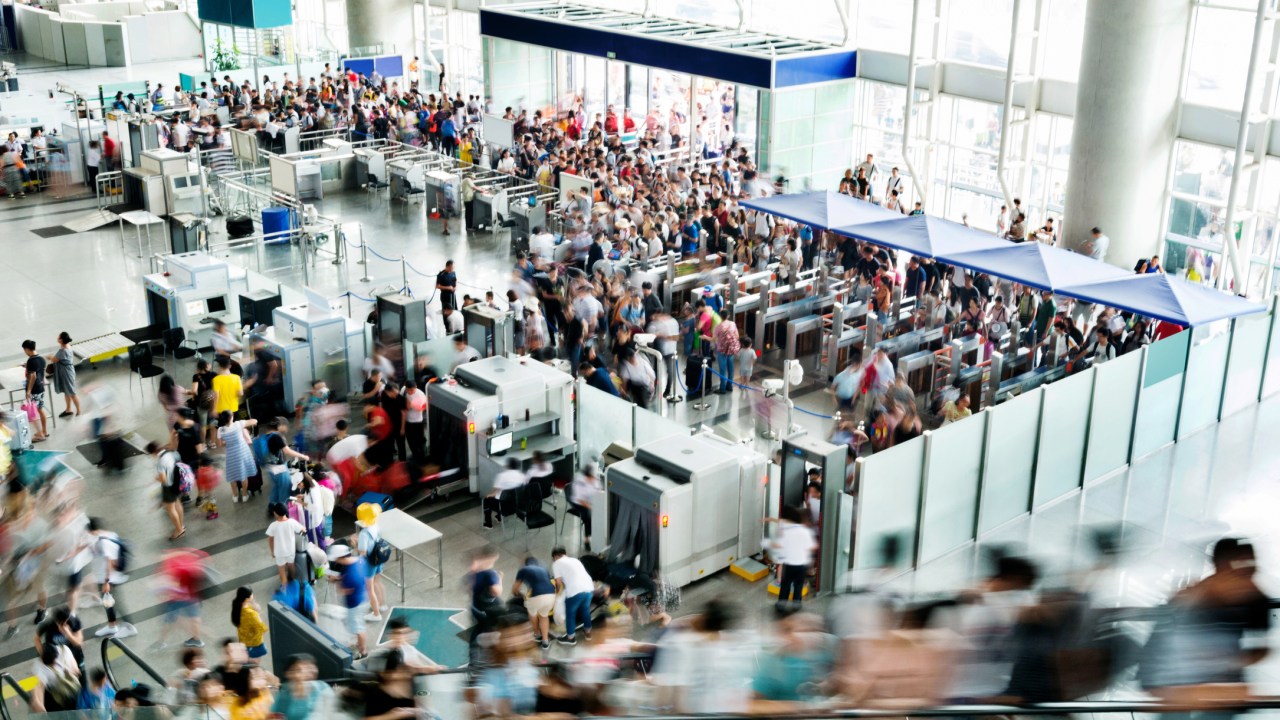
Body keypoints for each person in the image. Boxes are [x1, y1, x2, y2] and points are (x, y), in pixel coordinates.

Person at [765, 505, 816, 611]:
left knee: (785, 585)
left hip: (789, 564)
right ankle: (796, 606)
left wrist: (767, 543)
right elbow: (812, 547)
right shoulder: (805, 531)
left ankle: (781, 606)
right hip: (801, 565)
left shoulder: (788, 531)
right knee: (798, 586)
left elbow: (779, 545)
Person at [326, 543, 369, 657]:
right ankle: (359, 643)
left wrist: (336, 581)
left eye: (336, 559)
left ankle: (363, 651)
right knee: (358, 625)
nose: (335, 561)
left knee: (359, 628)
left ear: (341, 558)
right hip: (363, 598)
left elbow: (344, 591)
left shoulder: (350, 576)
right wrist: (338, 578)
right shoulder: (359, 560)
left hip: (355, 604)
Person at [551, 546, 594, 645]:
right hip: (589, 588)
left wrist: (557, 594)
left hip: (575, 591)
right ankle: (588, 633)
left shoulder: (556, 563)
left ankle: (571, 638)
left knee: (570, 614)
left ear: (555, 556)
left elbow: (558, 582)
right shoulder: (575, 560)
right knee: (585, 611)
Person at [512, 556, 556, 649]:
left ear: (526, 563)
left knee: (533, 614)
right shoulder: (543, 569)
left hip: (537, 595)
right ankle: (545, 642)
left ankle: (537, 634)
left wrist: (519, 594)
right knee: (544, 616)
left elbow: (515, 589)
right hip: (551, 595)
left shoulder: (523, 570)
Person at [270, 654, 332, 720]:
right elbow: (275, 716)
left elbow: (333, 712)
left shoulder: (322, 688)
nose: (308, 672)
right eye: (299, 669)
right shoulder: (285, 695)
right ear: (289, 673)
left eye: (311, 667)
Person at [355, 506, 389, 622]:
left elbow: (363, 553)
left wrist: (355, 544)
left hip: (370, 563)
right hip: (378, 558)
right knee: (377, 582)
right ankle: (382, 604)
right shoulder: (376, 525)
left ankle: (376, 614)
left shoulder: (364, 534)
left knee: (370, 589)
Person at [148, 440, 186, 541]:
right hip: (178, 483)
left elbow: (163, 479)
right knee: (177, 503)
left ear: (153, 452)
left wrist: (157, 478)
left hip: (169, 487)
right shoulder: (172, 452)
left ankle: (178, 530)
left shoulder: (160, 462)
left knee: (170, 509)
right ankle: (181, 525)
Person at [217, 412, 257, 503]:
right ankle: (244, 495)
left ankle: (235, 496)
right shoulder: (238, 424)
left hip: (231, 454)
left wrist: (228, 442)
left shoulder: (220, 430)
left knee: (233, 476)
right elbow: (254, 421)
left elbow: (219, 444)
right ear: (231, 417)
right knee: (244, 475)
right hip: (242, 452)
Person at [266, 502, 305, 588]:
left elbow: (270, 540)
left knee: (281, 569)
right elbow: (303, 530)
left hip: (279, 552)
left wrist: (272, 552)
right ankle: (293, 581)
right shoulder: (292, 522)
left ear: (275, 513)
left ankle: (285, 586)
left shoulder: (273, 525)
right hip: (290, 550)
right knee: (291, 565)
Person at [483, 458, 527, 529]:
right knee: (504, 496)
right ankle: (499, 517)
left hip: (504, 507)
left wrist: (489, 495)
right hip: (518, 505)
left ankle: (488, 523)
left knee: (487, 500)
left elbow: (495, 490)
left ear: (508, 466)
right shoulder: (522, 476)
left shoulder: (502, 476)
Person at [568, 463, 601, 551]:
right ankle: (587, 540)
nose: (593, 479)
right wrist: (592, 507)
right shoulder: (579, 482)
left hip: (590, 500)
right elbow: (580, 500)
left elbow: (598, 491)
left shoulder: (595, 479)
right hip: (578, 503)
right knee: (588, 516)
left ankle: (600, 534)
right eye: (591, 477)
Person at [47, 332, 80, 418]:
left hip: (66, 372)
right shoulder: (68, 346)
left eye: (58, 337)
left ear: (61, 340)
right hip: (67, 370)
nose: (57, 338)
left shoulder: (62, 351)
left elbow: (54, 360)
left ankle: (79, 411)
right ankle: (68, 409)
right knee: (67, 391)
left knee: (72, 392)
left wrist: (49, 357)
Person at [22, 339, 49, 442]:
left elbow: (33, 376)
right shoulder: (41, 359)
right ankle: (44, 431)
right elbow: (41, 372)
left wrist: (28, 391)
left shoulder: (31, 360)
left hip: (34, 390)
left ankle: (40, 434)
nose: (25, 352)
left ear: (27, 349)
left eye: (25, 350)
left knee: (32, 412)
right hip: (41, 388)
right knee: (40, 409)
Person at [231, 587, 268, 659]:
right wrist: (258, 612)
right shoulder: (251, 613)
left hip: (243, 639)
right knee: (255, 661)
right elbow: (262, 628)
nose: (253, 595)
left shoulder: (237, 605)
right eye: (251, 594)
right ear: (247, 598)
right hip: (253, 643)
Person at [403, 380, 427, 464]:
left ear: (415, 387)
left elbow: (424, 407)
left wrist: (412, 405)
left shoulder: (420, 395)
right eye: (408, 390)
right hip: (407, 421)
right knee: (410, 440)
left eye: (411, 390)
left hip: (417, 421)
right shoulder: (404, 391)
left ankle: (422, 457)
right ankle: (415, 455)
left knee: (420, 440)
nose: (409, 392)